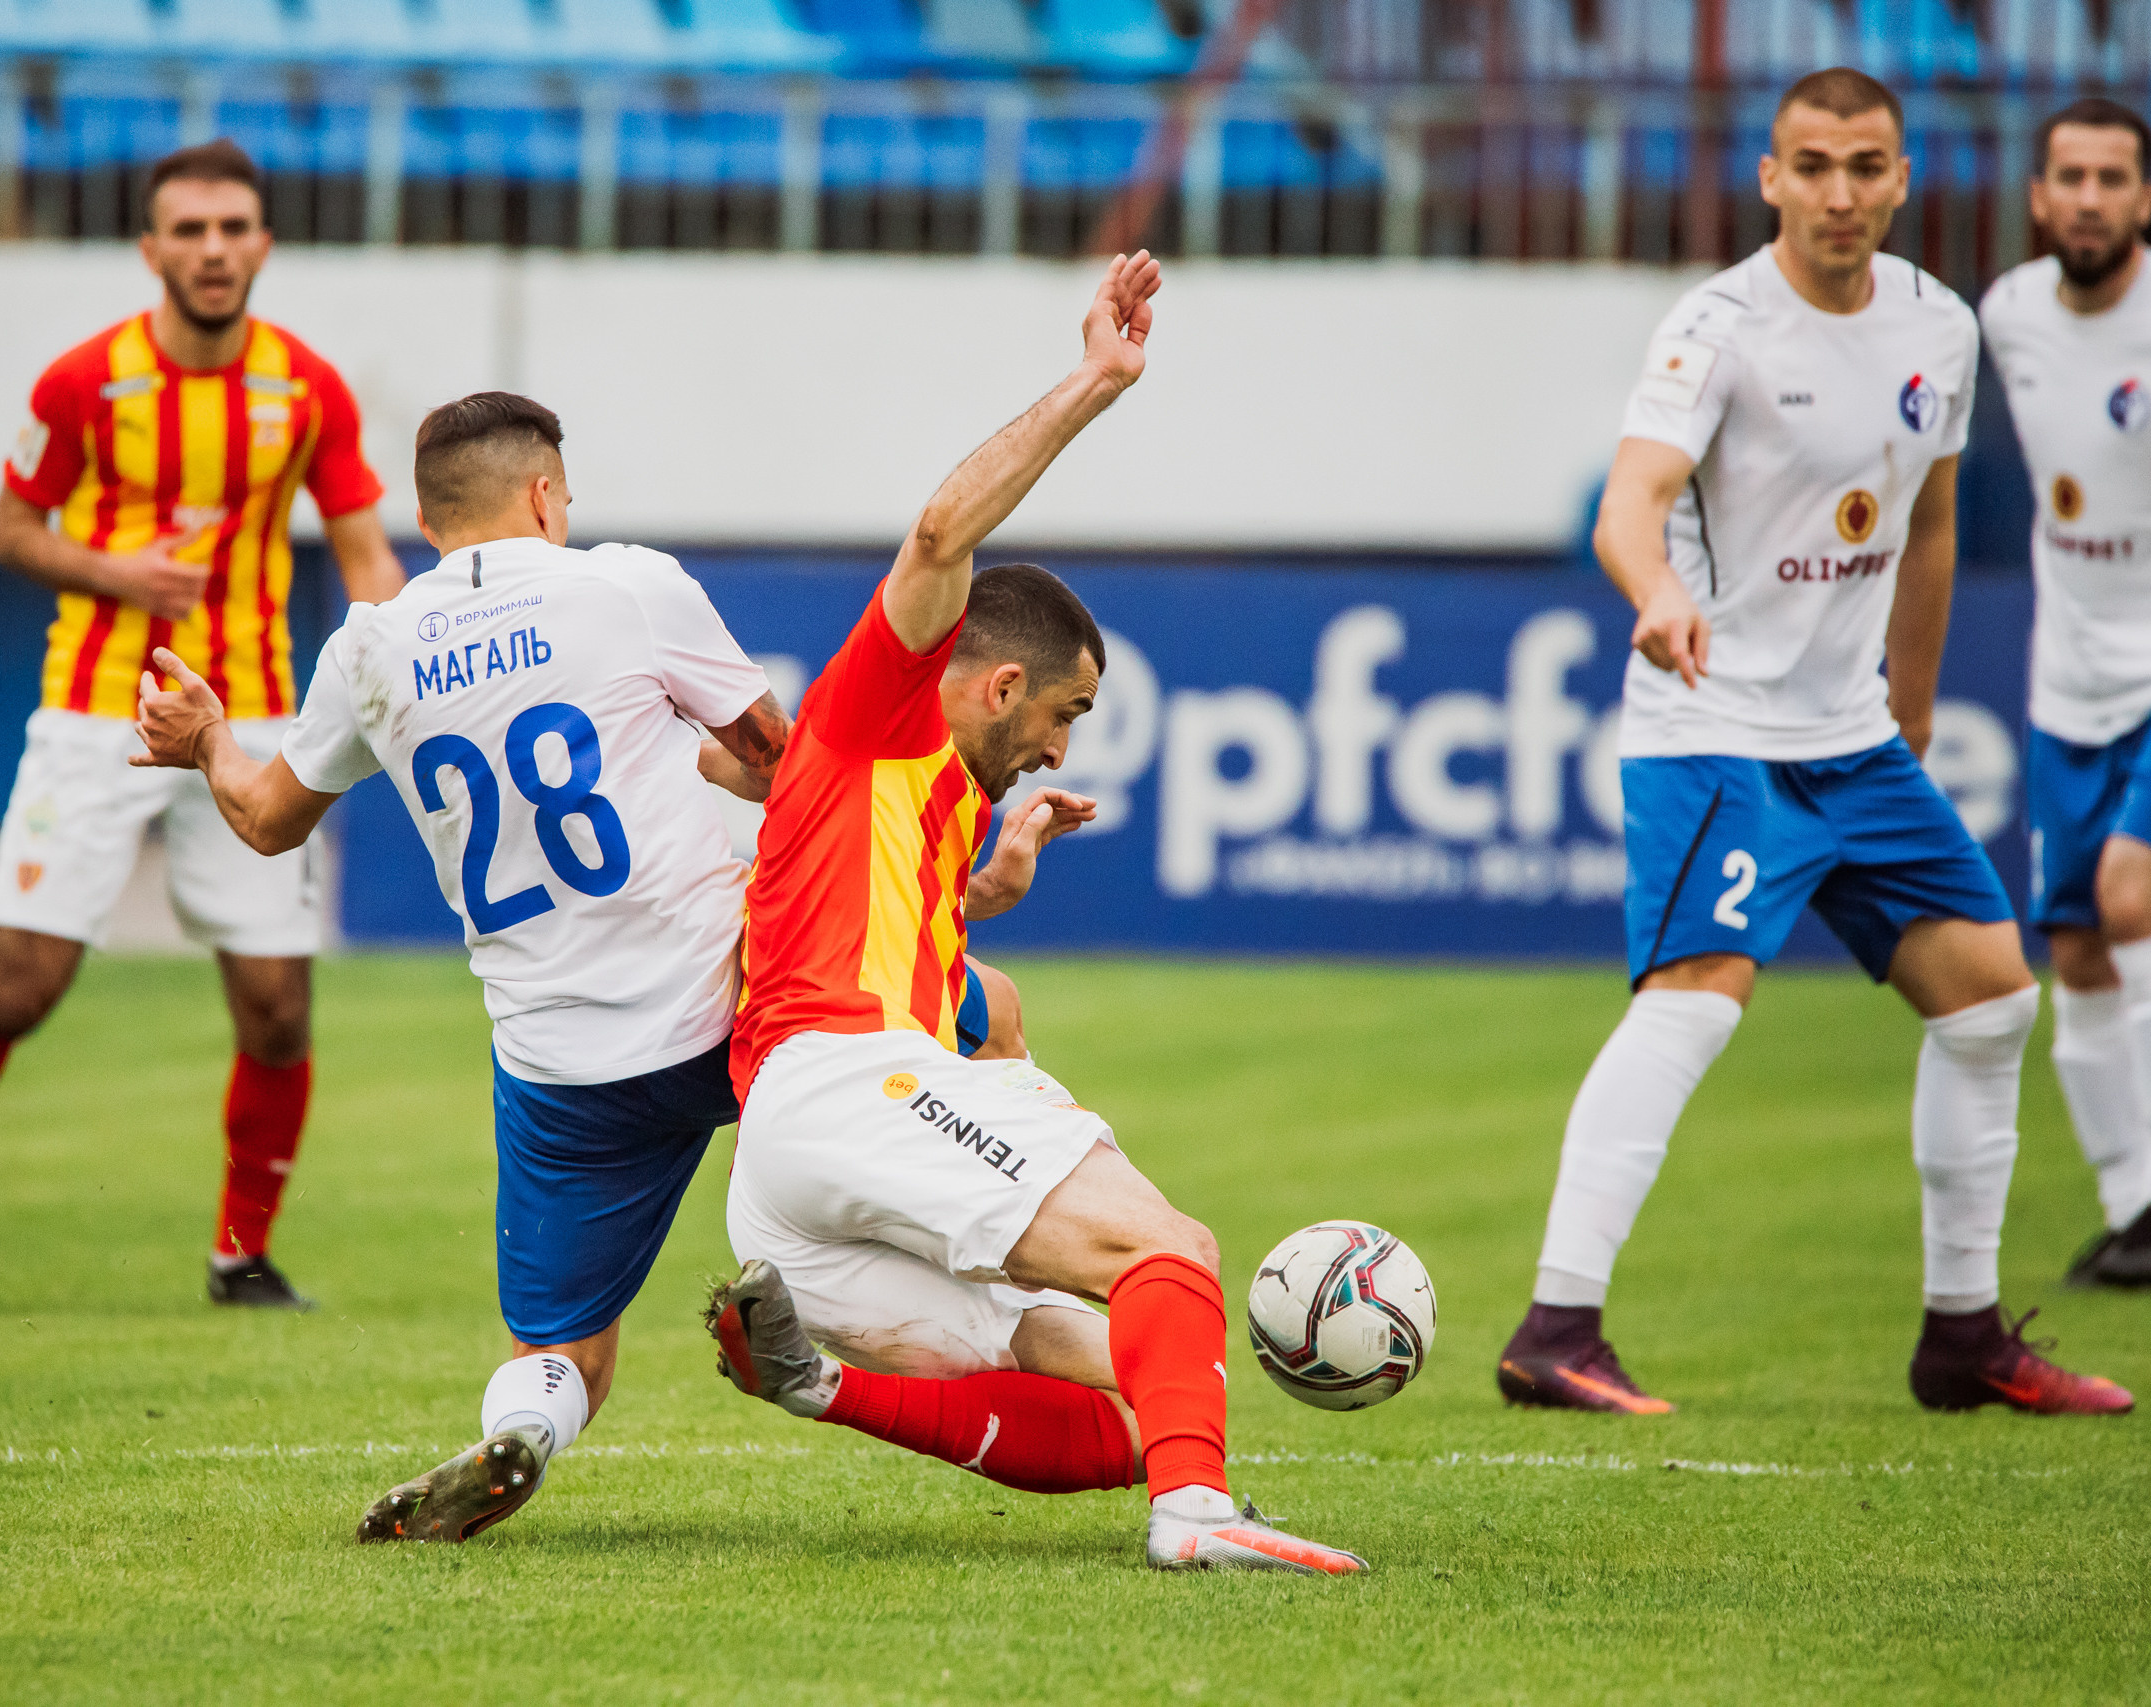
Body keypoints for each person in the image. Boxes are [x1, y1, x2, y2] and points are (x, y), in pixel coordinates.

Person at [131, 390, 1071, 1544]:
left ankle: (519, 1434)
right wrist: (952, 883)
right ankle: (1064, 1274)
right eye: (562, 496)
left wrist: (207, 739)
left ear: (429, 523)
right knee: (991, 1017)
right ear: (541, 495)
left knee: (564, 1347)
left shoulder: (369, 646)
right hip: (738, 994)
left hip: (560, 1059)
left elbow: (267, 820)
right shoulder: (626, 587)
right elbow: (796, 773)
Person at [704, 253, 1369, 1575]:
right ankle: (1196, 1522)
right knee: (1169, 1249)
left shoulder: (930, 807)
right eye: (1065, 713)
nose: (1062, 748)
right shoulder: (878, 713)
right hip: (841, 1085)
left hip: (789, 1199)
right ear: (1001, 680)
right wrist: (1098, 380)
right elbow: (942, 537)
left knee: (1140, 1396)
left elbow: (910, 942)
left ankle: (813, 1385)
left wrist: (983, 889)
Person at [1494, 69, 2132, 1416]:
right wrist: (1656, 592)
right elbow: (1630, 505)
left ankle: (1961, 1334)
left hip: (1853, 742)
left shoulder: (1939, 328)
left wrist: (1910, 704)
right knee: (1697, 995)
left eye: (1866, 166)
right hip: (1711, 728)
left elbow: (1935, 522)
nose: (1841, 191)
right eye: (1814, 165)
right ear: (1771, 179)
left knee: (1991, 994)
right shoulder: (1718, 326)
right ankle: (1557, 1324)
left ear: (1902, 180)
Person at [0, 139, 407, 1314]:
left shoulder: (309, 387)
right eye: (188, 231)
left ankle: (240, 1257)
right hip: (99, 709)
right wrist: (113, 571)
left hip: (247, 713)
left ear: (264, 244)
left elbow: (362, 553)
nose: (212, 249)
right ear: (151, 249)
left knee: (279, 1008)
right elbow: (10, 530)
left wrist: (421, 665)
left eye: (232, 227)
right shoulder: (81, 382)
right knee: (19, 987)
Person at [1979, 97, 2151, 1289]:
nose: (2088, 197)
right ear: (2038, 196)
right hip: (2064, 676)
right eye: (2069, 177)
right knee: (2076, 943)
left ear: (2143, 199)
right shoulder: (2007, 313)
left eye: (2112, 178)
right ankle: (2134, 1205)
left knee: (2128, 898)